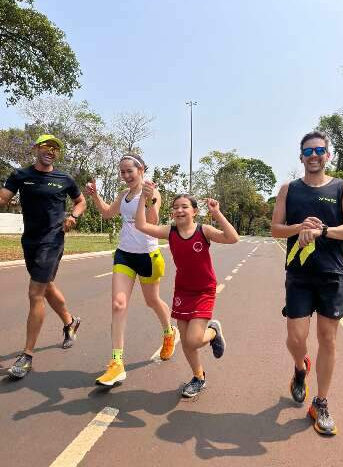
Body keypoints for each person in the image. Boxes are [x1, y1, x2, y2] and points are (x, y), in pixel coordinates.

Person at [271, 131, 343, 435]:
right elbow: (276, 229)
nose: (314, 155)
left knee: (328, 339)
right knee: (296, 338)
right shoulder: (289, 190)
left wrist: (324, 231)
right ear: (301, 156)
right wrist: (300, 227)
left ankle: (320, 402)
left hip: (331, 275)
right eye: (308, 150)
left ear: (327, 155)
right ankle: (300, 368)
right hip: (298, 274)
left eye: (320, 150)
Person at [136, 185, 238, 397]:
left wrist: (217, 213)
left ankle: (213, 332)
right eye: (175, 207)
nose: (179, 210)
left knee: (193, 339)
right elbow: (141, 225)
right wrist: (143, 199)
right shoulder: (170, 231)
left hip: (203, 291)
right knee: (186, 341)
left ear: (194, 211)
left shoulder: (204, 230)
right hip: (183, 291)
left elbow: (232, 238)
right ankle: (199, 377)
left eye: (184, 207)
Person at [85, 154, 177, 387]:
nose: (125, 176)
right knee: (118, 304)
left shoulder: (151, 192)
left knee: (152, 301)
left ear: (141, 170)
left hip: (147, 255)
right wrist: (95, 194)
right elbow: (107, 213)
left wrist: (148, 201)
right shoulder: (123, 195)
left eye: (129, 171)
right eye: (122, 172)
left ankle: (169, 332)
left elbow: (153, 222)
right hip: (124, 254)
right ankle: (116, 363)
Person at [0, 134, 86, 379]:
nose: (51, 150)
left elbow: (80, 202)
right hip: (30, 241)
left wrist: (74, 217)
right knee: (46, 286)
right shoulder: (20, 176)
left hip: (53, 240)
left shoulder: (64, 179)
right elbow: (3, 198)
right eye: (47, 146)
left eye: (56, 148)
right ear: (36, 148)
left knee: (35, 292)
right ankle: (70, 322)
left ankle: (27, 355)